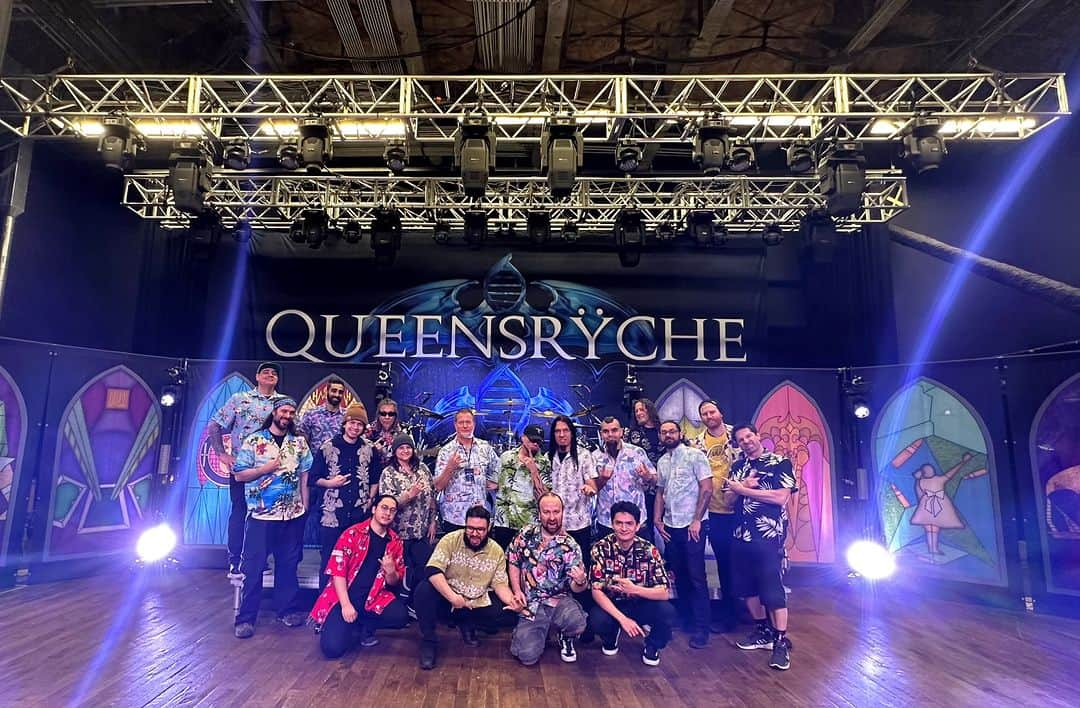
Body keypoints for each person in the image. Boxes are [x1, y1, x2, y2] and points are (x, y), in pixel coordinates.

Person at [232, 397, 313, 639]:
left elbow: (305, 476)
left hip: (292, 515)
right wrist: (264, 469)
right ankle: (245, 618)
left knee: (288, 567)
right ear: (274, 412)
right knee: (254, 568)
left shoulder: (298, 443)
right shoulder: (255, 440)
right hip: (261, 515)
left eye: (291, 411)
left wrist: (305, 505)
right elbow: (239, 475)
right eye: (284, 411)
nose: (287, 415)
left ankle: (287, 610)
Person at [723, 423, 798, 671]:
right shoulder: (738, 467)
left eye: (749, 437)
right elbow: (728, 499)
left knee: (772, 590)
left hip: (768, 536)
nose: (746, 442)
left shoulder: (779, 462)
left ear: (758, 436)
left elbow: (780, 497)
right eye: (741, 440)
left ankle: (780, 641)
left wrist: (744, 489)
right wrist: (740, 486)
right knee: (747, 589)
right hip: (740, 535)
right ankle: (763, 631)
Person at [413, 505, 524, 670]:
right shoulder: (450, 540)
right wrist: (452, 597)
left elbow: (500, 583)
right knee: (424, 590)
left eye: (480, 529)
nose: (474, 533)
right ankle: (429, 641)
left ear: (489, 528)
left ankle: (467, 622)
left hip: (476, 601)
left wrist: (512, 600)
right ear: (465, 525)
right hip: (448, 597)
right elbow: (432, 569)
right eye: (470, 528)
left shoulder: (496, 551)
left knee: (506, 613)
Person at [207, 361, 287, 574]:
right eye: (266, 372)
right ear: (258, 377)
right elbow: (214, 425)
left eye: (274, 373)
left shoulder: (282, 403)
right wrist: (221, 454)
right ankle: (235, 560)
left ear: (277, 380)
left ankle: (261, 560)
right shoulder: (240, 399)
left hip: (272, 468)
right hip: (243, 466)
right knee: (240, 510)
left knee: (268, 513)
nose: (270, 375)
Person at [309, 495, 409, 659]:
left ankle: (364, 626)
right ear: (374, 509)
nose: (388, 513)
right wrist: (346, 605)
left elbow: (393, 582)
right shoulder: (352, 533)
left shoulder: (395, 542)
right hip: (343, 598)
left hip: (373, 598)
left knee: (400, 616)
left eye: (392, 510)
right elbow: (337, 571)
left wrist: (390, 571)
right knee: (331, 650)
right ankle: (341, 625)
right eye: (384, 508)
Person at [589, 501, 675, 667]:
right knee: (596, 619)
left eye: (629, 523)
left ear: (637, 526)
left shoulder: (649, 550)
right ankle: (610, 635)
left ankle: (652, 645)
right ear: (611, 524)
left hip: (641, 604)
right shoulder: (600, 548)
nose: (623, 528)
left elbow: (664, 592)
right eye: (619, 523)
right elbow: (596, 590)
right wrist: (623, 620)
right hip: (613, 605)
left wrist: (635, 590)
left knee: (667, 612)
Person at [507, 493, 590, 665]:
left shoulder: (571, 546)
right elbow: (513, 561)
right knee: (527, 656)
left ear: (562, 512)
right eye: (546, 512)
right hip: (532, 603)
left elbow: (576, 587)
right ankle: (535, 632)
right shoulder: (525, 534)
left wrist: (581, 581)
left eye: (556, 512)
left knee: (577, 622)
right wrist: (516, 590)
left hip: (558, 601)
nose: (552, 517)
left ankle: (565, 636)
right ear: (539, 513)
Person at [654, 420, 713, 649]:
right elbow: (660, 492)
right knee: (679, 575)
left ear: (680, 433)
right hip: (671, 526)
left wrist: (697, 519)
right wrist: (658, 520)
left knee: (697, 578)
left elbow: (707, 488)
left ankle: (702, 628)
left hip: (693, 526)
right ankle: (687, 619)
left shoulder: (695, 456)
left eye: (672, 431)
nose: (668, 435)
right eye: (664, 432)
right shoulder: (662, 461)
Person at [308, 403, 377, 573]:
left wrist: (369, 500)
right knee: (329, 564)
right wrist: (330, 483)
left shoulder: (370, 448)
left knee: (355, 562)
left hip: (358, 515)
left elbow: (375, 479)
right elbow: (313, 478)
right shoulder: (328, 447)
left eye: (359, 424)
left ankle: (349, 599)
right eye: (352, 422)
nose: (355, 427)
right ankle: (326, 599)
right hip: (332, 515)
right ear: (345, 423)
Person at [690, 399, 739, 633]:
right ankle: (722, 613)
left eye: (712, 411)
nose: (709, 416)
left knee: (734, 564)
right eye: (704, 414)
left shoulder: (737, 435)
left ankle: (736, 613)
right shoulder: (697, 442)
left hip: (737, 509)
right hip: (711, 511)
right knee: (720, 564)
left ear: (720, 412)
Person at [548, 416, 599, 636]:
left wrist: (589, 489)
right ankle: (559, 620)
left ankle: (584, 620)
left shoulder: (584, 456)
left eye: (565, 430)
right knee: (555, 572)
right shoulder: (547, 457)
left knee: (579, 573)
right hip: (553, 525)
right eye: (558, 431)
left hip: (578, 523)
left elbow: (593, 483)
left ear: (571, 432)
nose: (561, 434)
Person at [377, 433, 438, 603]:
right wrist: (409, 495)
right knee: (401, 573)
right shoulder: (388, 473)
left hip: (421, 533)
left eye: (408, 447)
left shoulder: (423, 469)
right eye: (401, 448)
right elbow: (387, 504)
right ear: (395, 451)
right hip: (398, 534)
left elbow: (432, 497)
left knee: (423, 570)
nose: (405, 451)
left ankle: (416, 605)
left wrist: (433, 521)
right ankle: (397, 606)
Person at [433, 409, 500, 532]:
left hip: (479, 517)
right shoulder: (446, 451)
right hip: (454, 517)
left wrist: (493, 482)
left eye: (468, 422)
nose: (465, 426)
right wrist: (450, 467)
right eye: (461, 422)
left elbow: (497, 468)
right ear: (455, 425)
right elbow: (438, 486)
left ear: (474, 424)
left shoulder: (485, 448)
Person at [592, 417, 656, 538]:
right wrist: (603, 479)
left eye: (614, 430)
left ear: (621, 432)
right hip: (607, 521)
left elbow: (655, 481)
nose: (610, 434)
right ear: (601, 434)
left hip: (635, 521)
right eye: (606, 431)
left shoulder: (637, 452)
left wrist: (648, 476)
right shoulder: (595, 456)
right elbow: (593, 489)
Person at [492, 424, 552, 549]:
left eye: (539, 442)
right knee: (504, 562)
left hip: (529, 522)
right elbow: (493, 483)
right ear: (523, 438)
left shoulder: (544, 462)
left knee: (527, 564)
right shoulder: (506, 457)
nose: (535, 444)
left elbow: (545, 496)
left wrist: (534, 471)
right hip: (504, 521)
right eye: (532, 440)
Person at [627, 398, 662, 542]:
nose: (639, 413)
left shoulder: (664, 430)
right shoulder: (631, 434)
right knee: (646, 527)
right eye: (636, 411)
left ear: (650, 410)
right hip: (643, 488)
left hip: (666, 485)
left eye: (642, 409)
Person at [298, 377, 353, 450]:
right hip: (314, 460)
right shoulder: (311, 414)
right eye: (334, 391)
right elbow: (302, 440)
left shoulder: (347, 416)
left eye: (340, 392)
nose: (337, 394)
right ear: (326, 391)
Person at [366, 398, 401, 488]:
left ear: (395, 416)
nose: (387, 417)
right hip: (371, 476)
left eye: (391, 414)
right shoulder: (369, 430)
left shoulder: (402, 432)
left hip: (395, 477)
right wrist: (373, 451)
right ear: (378, 415)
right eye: (383, 413)